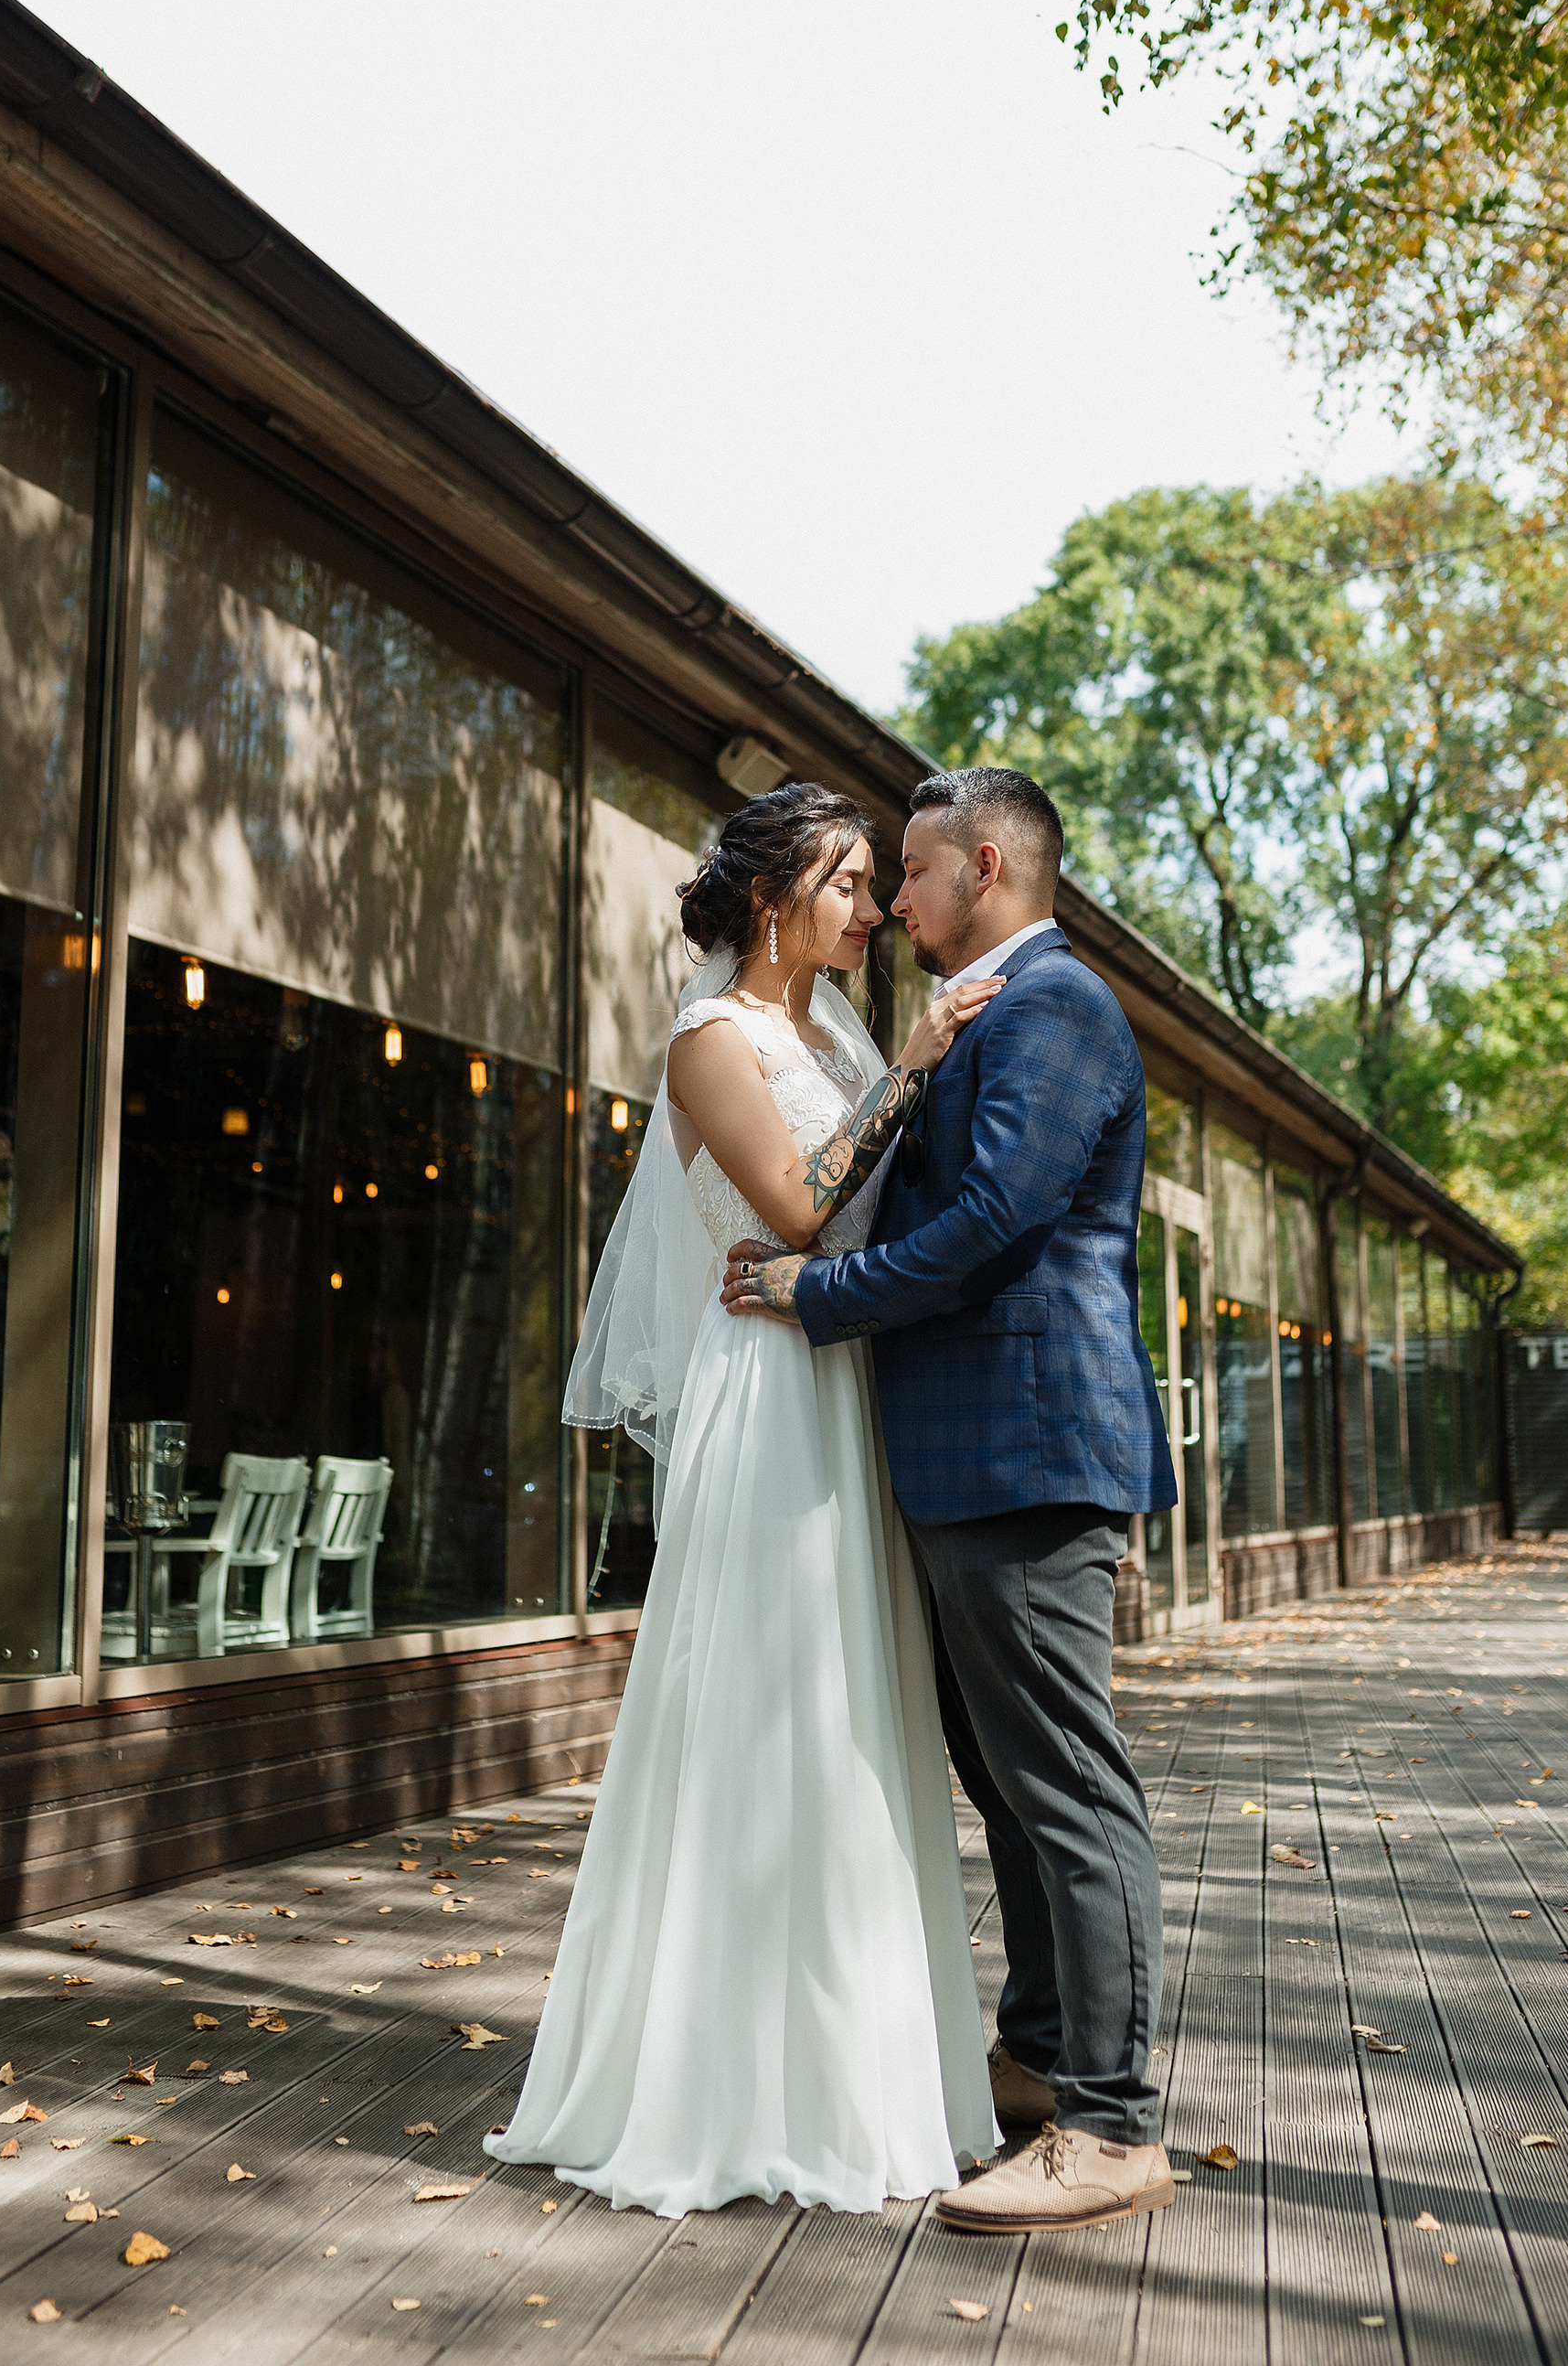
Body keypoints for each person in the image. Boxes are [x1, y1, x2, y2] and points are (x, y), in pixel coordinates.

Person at [484, 782, 1001, 2217]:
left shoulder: (824, 1029)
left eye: (868, 882)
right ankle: (718, 2088)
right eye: (844, 882)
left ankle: (856, 2071)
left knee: (848, 1714)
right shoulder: (712, 1039)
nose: (868, 907)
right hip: (760, 1393)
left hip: (834, 1381)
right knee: (763, 1705)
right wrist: (905, 1072)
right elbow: (799, 1210)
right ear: (775, 898)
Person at [724, 765, 1178, 2235]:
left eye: (910, 875)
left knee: (1064, 1783)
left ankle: (1112, 2127)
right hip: (972, 1458)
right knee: (1008, 1784)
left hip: (1028, 1450)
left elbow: (991, 1228)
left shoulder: (1054, 1006)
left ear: (984, 866)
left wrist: (817, 1293)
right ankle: (1041, 2060)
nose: (895, 902)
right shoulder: (986, 1011)